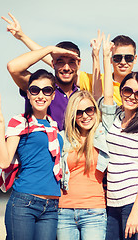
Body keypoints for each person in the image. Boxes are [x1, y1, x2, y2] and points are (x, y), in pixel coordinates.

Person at [1, 13, 138, 106]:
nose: (123, 62)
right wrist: (22, 37)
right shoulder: (96, 80)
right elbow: (59, 64)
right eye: (118, 57)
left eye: (128, 57)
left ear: (135, 59)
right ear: (110, 58)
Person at [0, 69, 63, 240]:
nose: (40, 95)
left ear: (53, 95)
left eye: (47, 90)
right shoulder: (20, 122)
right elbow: (5, 162)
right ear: (28, 94)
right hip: (25, 202)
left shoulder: (55, 126)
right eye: (35, 90)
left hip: (52, 206)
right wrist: (0, 124)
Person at [102, 35, 138, 240]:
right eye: (127, 90)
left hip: (136, 203)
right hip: (113, 202)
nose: (132, 96)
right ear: (121, 90)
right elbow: (107, 94)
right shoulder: (115, 118)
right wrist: (106, 59)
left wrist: (136, 210)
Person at [57, 89, 115, 239]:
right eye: (78, 112)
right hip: (64, 211)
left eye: (89, 110)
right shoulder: (63, 138)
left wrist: (102, 64)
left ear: (96, 111)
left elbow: (109, 101)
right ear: (72, 115)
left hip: (94, 211)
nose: (85, 116)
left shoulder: (103, 133)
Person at [6, 42, 81, 130]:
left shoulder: (81, 97)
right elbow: (13, 67)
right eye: (60, 62)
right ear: (53, 64)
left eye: (71, 62)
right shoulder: (40, 88)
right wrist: (49, 49)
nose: (66, 68)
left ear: (78, 64)